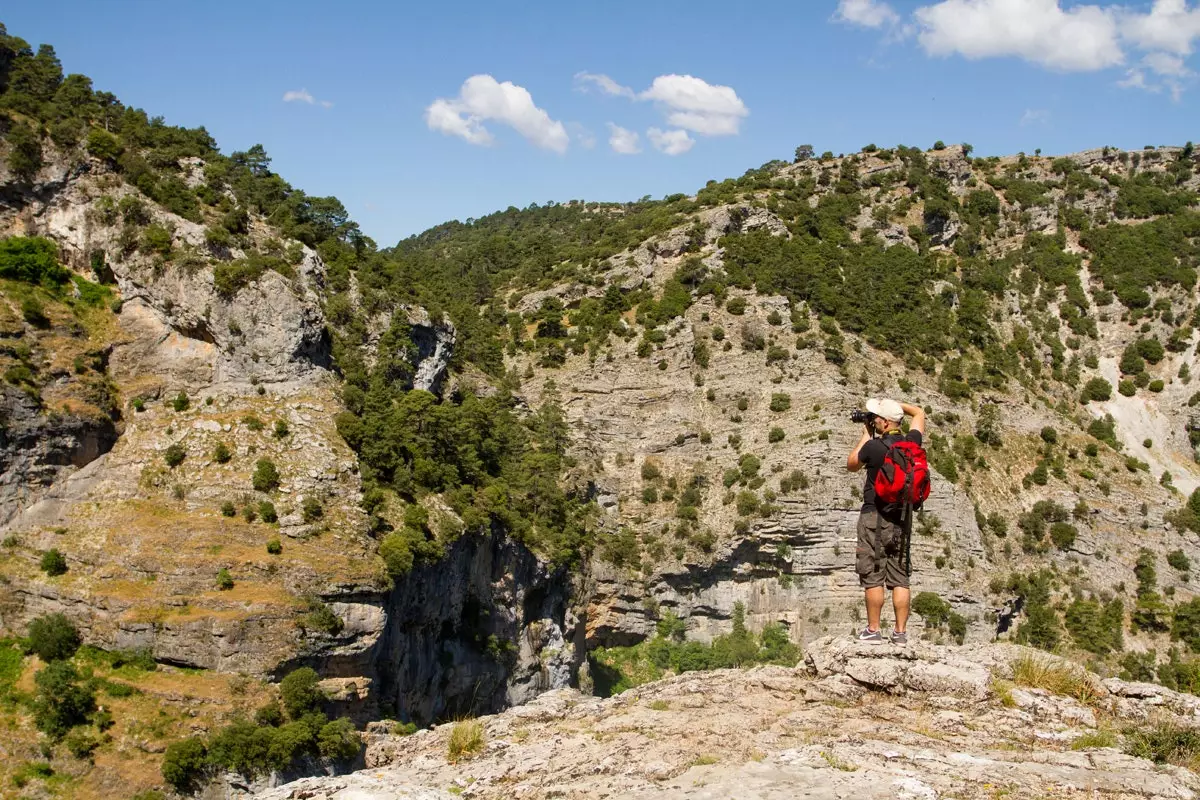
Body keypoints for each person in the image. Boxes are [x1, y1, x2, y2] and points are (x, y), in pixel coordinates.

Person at [845, 397, 926, 645]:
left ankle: (873, 629)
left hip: (874, 516)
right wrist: (896, 406)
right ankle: (900, 633)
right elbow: (920, 413)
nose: (873, 421)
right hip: (903, 518)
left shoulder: (874, 447)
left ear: (884, 422)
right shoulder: (912, 442)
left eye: (876, 417)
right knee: (900, 576)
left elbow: (851, 465)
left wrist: (866, 435)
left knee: (873, 573)